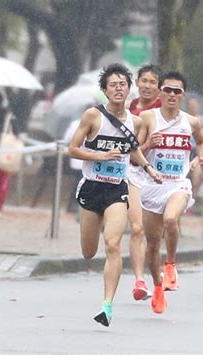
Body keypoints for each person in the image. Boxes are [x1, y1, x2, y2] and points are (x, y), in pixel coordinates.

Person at [68, 64, 161, 327]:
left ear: (129, 89)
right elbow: (72, 149)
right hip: (91, 188)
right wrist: (98, 155)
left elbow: (133, 149)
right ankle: (92, 242)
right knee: (89, 251)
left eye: (123, 84)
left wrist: (148, 168)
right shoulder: (92, 116)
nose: (119, 88)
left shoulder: (136, 121)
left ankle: (107, 306)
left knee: (112, 244)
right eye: (113, 85)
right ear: (105, 91)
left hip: (116, 189)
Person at [138, 71, 203, 313]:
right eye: (166, 90)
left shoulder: (191, 122)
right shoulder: (148, 118)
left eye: (176, 91)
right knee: (151, 245)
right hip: (152, 186)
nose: (171, 94)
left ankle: (170, 264)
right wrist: (149, 144)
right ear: (160, 92)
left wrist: (201, 157)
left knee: (171, 219)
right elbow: (134, 152)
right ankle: (158, 287)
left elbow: (201, 141)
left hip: (178, 184)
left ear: (183, 95)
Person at [126, 64, 163, 301]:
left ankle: (161, 278)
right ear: (137, 83)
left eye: (152, 82)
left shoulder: (161, 109)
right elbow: (131, 147)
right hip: (133, 173)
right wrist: (146, 146)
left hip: (160, 180)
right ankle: (139, 281)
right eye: (144, 81)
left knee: (154, 239)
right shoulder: (130, 108)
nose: (147, 86)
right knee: (137, 228)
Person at [63, 118, 84, 221]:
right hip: (83, 161)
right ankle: (76, 205)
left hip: (77, 161)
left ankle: (73, 205)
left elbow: (66, 139)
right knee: (79, 185)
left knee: (76, 184)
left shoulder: (74, 124)